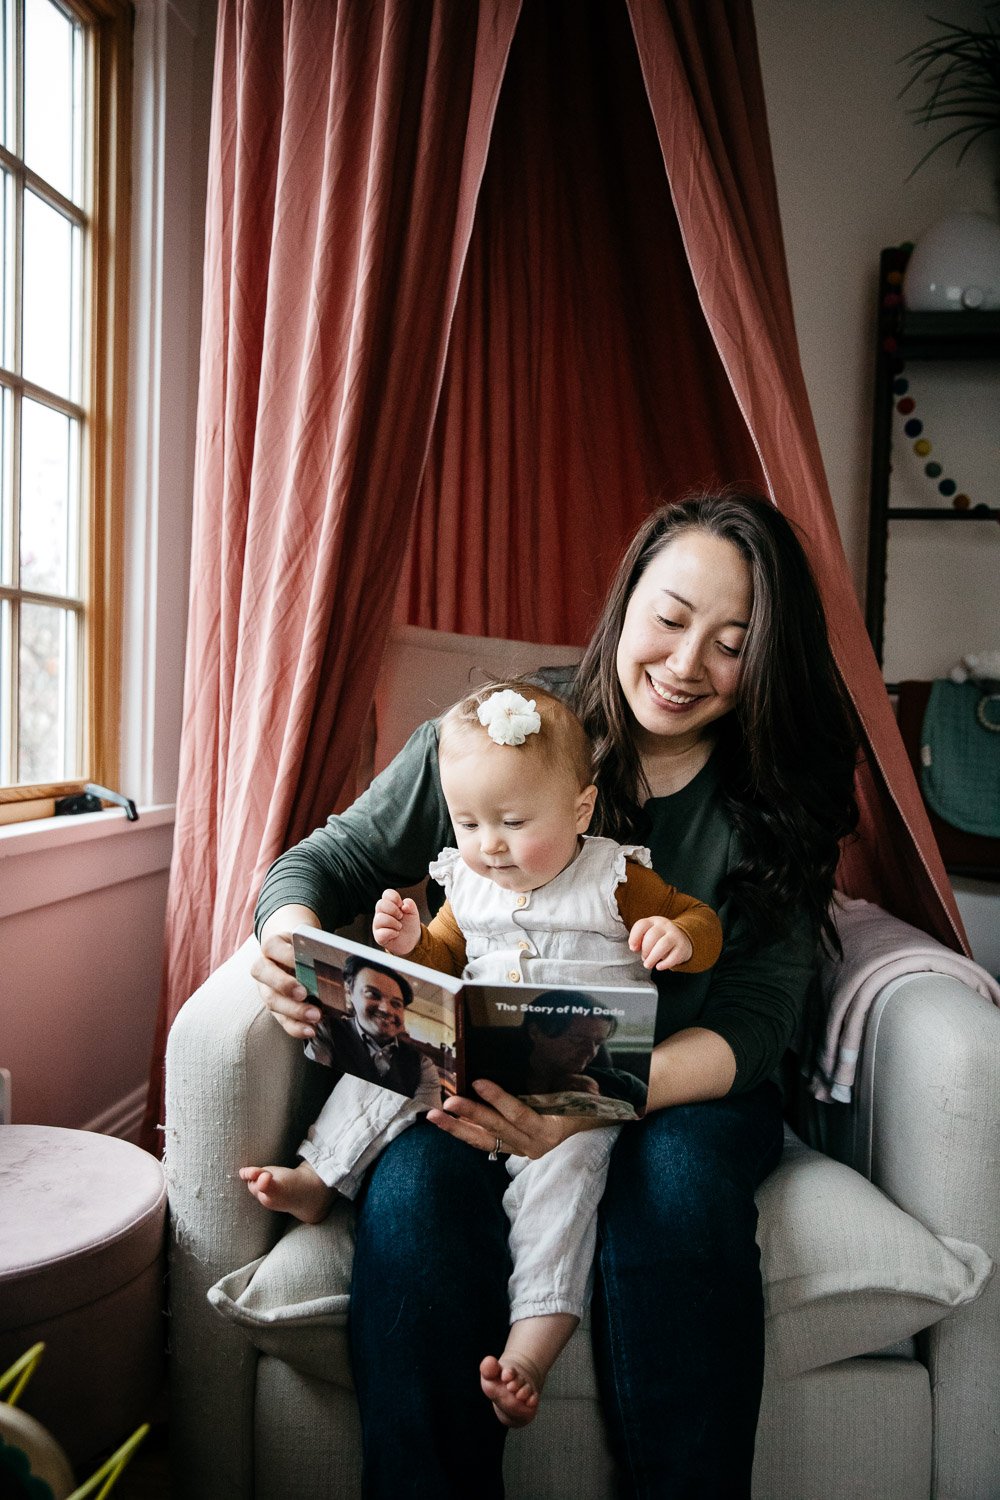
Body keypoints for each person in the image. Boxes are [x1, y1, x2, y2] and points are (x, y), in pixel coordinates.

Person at [251, 489, 859, 1498]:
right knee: (411, 1193)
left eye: (730, 641)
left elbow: (757, 1023)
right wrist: (286, 939)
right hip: (488, 1065)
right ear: (625, 608)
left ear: (766, 655)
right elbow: (337, 856)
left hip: (685, 1085)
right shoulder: (513, 731)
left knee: (676, 1191)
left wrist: (584, 1095)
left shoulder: (774, 793)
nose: (684, 664)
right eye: (668, 621)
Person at [244, 681, 722, 1427]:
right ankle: (319, 1176)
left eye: (512, 821)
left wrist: (681, 938)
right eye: (467, 821)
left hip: (575, 1080)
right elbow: (443, 956)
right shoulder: (465, 881)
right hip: (478, 1060)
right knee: (392, 1051)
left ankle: (531, 1344)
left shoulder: (616, 879)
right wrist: (408, 945)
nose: (488, 844)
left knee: (564, 1190)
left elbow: (700, 920)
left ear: (580, 811)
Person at [240, 954, 441, 1217]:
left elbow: (432, 1108)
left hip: (423, 1131)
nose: (387, 1009)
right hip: (363, 1128)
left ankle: (319, 1180)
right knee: (372, 1084)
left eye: (396, 1004)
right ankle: (316, 1175)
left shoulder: (418, 1061)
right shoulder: (330, 1030)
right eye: (373, 995)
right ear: (350, 993)